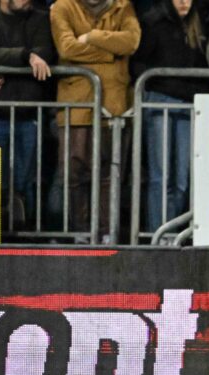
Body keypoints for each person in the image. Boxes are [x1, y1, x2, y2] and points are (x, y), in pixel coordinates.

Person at [50, 0, 141, 238]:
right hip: (77, 105)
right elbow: (67, 48)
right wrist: (112, 52)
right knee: (73, 173)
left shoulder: (124, 7)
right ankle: (79, 233)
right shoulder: (63, 7)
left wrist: (91, 36)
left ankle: (106, 232)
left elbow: (131, 42)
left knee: (109, 174)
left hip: (114, 106)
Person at [131, 0, 209, 232]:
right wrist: (155, 86)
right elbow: (138, 64)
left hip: (188, 104)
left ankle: (171, 231)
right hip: (160, 101)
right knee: (160, 176)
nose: (184, 2)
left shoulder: (200, 25)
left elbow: (205, 67)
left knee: (181, 180)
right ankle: (159, 232)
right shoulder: (153, 22)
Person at [0, 0, 55, 227]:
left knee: (26, 180)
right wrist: (27, 57)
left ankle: (24, 234)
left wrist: (7, 64)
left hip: (30, 113)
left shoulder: (39, 18)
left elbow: (46, 51)